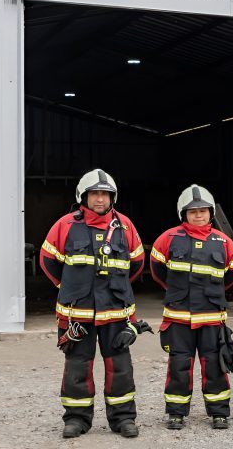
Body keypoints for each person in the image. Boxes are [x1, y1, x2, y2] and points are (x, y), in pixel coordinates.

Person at [40, 169, 147, 439]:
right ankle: (76, 419)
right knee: (77, 366)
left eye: (105, 194)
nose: (100, 199)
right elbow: (48, 260)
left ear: (113, 198)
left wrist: (118, 289)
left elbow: (136, 263)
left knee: (120, 367)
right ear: (82, 197)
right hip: (78, 313)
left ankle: (123, 418)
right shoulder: (65, 225)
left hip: (116, 312)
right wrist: (67, 288)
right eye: (94, 194)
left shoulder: (126, 226)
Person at [149, 185, 233, 431]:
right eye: (193, 211)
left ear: (211, 213)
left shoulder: (223, 242)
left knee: (214, 366)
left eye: (203, 211)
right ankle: (176, 414)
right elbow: (157, 270)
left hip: (212, 318)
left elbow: (232, 273)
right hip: (178, 318)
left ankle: (219, 413)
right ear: (183, 213)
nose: (198, 215)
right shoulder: (168, 239)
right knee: (179, 367)